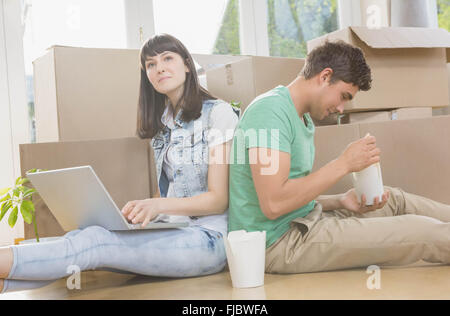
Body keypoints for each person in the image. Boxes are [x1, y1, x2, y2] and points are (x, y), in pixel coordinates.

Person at [0, 34, 239, 293]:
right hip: (178, 230)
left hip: (209, 239)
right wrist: (140, 213)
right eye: (150, 64)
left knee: (95, 243)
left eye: (167, 58)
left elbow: (218, 200)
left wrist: (157, 204)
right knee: (88, 234)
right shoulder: (163, 127)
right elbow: (168, 193)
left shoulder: (219, 114)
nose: (159, 68)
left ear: (186, 65)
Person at [228, 40, 450, 274]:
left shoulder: (300, 116)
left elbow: (288, 197)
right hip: (278, 243)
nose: (342, 108)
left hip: (302, 221)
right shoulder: (269, 112)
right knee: (420, 231)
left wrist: (339, 200)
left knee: (396, 199)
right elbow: (273, 204)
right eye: (343, 96)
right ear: (325, 76)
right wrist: (343, 164)